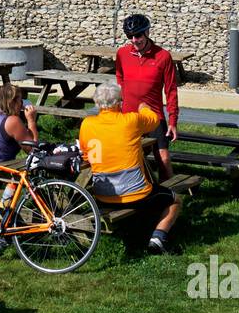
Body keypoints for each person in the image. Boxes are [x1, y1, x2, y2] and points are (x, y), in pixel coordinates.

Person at [78, 81, 182, 255]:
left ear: (97, 104)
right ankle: (158, 237)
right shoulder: (131, 121)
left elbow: (86, 154)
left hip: (102, 193)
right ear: (120, 102)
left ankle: (139, 229)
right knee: (175, 200)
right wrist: (143, 107)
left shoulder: (87, 124)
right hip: (136, 194)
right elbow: (154, 120)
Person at [115, 13, 180, 180]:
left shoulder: (163, 56)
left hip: (154, 116)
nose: (135, 40)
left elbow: (171, 90)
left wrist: (172, 121)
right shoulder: (122, 53)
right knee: (130, 159)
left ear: (147, 32)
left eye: (138, 35)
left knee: (164, 159)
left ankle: (171, 198)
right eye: (130, 36)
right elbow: (120, 76)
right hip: (128, 116)